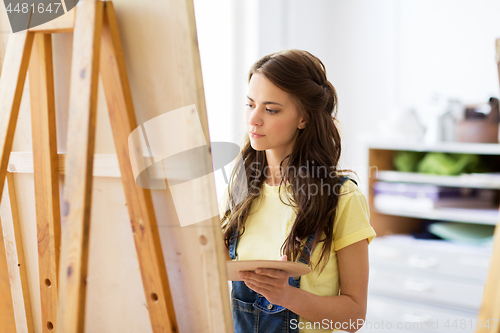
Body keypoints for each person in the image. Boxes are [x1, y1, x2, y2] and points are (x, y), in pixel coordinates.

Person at [218, 49, 377, 333]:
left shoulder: (341, 198)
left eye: (270, 109)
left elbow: (353, 318)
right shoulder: (240, 187)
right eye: (250, 104)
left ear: (303, 118)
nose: (253, 119)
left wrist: (286, 296)